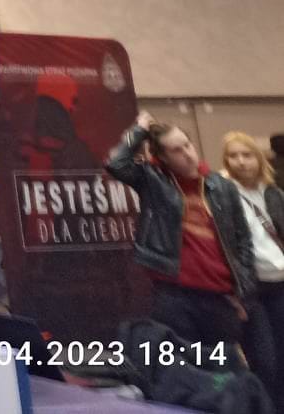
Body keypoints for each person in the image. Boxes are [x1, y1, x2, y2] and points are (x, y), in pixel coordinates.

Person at [106, 113, 256, 372]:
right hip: (175, 296)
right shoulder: (154, 181)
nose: (187, 154)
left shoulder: (221, 186)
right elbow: (117, 163)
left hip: (220, 298)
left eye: (187, 145)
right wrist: (139, 130)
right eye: (177, 150)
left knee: (227, 373)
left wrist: (242, 292)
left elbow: (243, 242)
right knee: (188, 373)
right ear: (162, 157)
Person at [222, 131, 284, 406]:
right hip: (250, 288)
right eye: (233, 156)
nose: (241, 161)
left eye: (247, 155)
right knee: (264, 360)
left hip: (280, 281)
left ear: (259, 158)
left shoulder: (273, 192)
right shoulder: (223, 195)